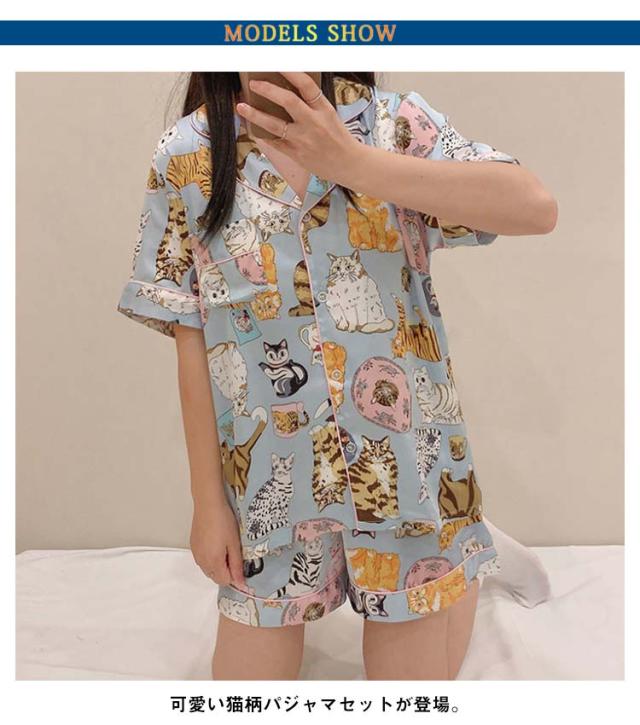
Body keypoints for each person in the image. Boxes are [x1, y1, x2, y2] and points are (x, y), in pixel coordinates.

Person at [117, 72, 557, 681]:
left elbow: (535, 207)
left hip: (407, 479)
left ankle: (458, 551)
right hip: (272, 489)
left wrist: (351, 162)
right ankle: (460, 554)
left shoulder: (390, 124)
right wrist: (207, 505)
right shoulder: (188, 155)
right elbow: (189, 332)